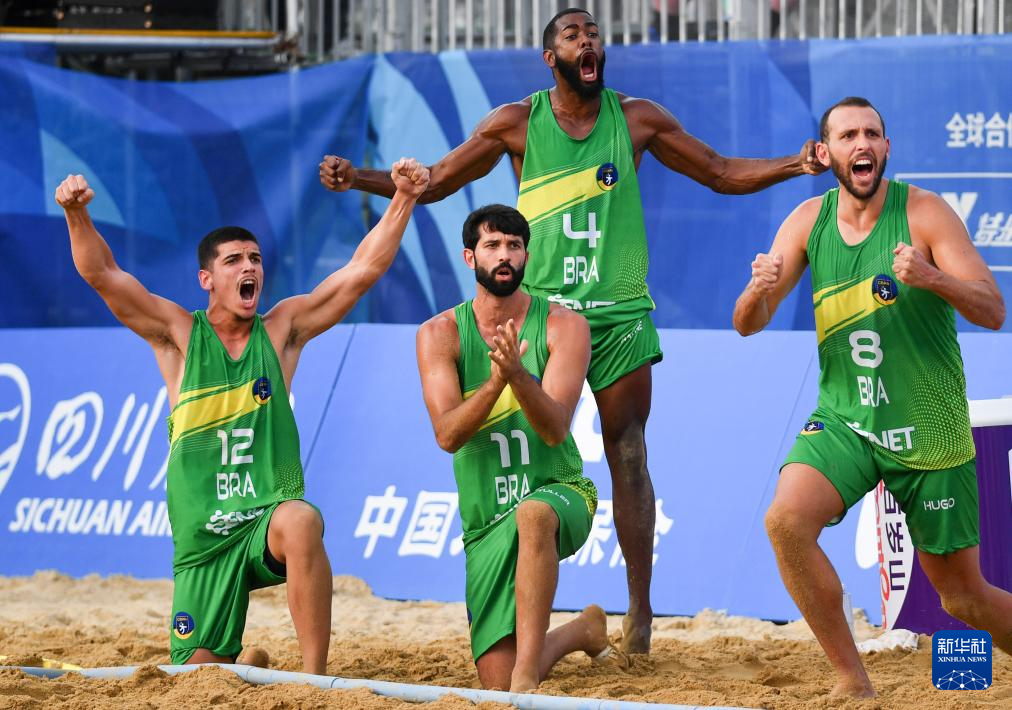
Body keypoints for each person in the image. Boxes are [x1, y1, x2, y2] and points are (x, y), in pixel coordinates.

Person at [320, 6, 824, 653]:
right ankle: (522, 604)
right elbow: (438, 181)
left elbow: (720, 172)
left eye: (593, 33)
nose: (587, 40)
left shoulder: (636, 118)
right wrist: (359, 179)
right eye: (572, 34)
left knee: (629, 451)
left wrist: (796, 165)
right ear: (550, 57)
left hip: (617, 316)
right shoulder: (514, 123)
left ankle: (640, 611)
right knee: (530, 453)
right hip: (544, 319)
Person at [55, 159, 430, 674]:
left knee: (302, 518)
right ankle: (248, 660)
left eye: (255, 258)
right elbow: (102, 274)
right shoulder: (178, 335)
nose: (249, 267)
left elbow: (360, 272)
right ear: (206, 279)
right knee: (200, 675)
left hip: (264, 522)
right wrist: (76, 214)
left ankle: (313, 678)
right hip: (204, 542)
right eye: (234, 261)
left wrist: (403, 197)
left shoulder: (281, 331)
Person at [732, 96, 1011, 698]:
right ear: (825, 151)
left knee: (962, 597)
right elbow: (747, 323)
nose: (862, 144)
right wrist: (756, 291)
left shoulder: (925, 213)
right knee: (785, 522)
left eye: (872, 134)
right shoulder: (808, 220)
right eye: (848, 135)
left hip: (927, 426)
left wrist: (932, 278)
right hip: (846, 419)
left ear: (886, 148)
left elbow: (993, 309)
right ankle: (852, 682)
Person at [416, 204, 613, 692]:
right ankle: (582, 631)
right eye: (492, 245)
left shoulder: (564, 325)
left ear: (526, 255)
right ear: (470, 257)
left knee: (534, 513)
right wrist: (495, 382)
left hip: (562, 492)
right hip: (486, 520)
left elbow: (555, 429)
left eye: (514, 245)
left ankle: (527, 675)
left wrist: (519, 376)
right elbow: (447, 436)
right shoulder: (439, 334)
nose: (504, 255)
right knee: (494, 683)